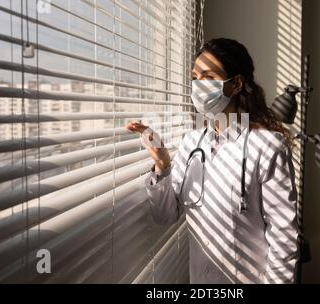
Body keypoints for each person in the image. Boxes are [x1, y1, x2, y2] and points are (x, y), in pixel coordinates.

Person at [126, 38, 299, 284]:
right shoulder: (191, 143)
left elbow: (284, 236)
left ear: (236, 84)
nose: (198, 86)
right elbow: (165, 216)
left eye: (208, 77)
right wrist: (162, 165)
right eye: (195, 78)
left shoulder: (267, 146)